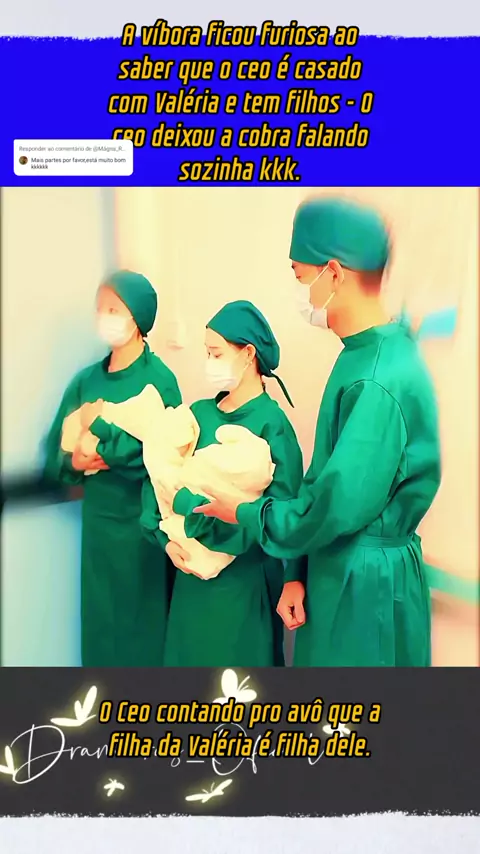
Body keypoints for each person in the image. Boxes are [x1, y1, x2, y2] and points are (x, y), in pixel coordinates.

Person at [194, 197, 442, 667]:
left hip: (362, 586)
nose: (299, 290)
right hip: (344, 566)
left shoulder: (376, 379)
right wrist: (298, 572)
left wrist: (245, 512)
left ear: (333, 273)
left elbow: (333, 504)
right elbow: (328, 484)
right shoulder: (367, 352)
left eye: (298, 274)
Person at [141, 300, 306, 667]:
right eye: (207, 353)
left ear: (248, 354)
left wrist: (292, 577)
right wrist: (168, 543)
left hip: (243, 586)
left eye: (216, 353)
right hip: (191, 582)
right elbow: (160, 479)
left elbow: (288, 515)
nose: (209, 362)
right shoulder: (197, 415)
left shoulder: (272, 425)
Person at [44, 270, 182, 666]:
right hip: (99, 533)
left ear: (137, 317)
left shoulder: (160, 381)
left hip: (143, 530)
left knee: (145, 632)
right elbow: (53, 454)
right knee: (101, 630)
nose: (103, 317)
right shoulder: (86, 383)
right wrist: (72, 461)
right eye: (100, 309)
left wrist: (115, 448)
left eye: (113, 309)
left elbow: (172, 454)